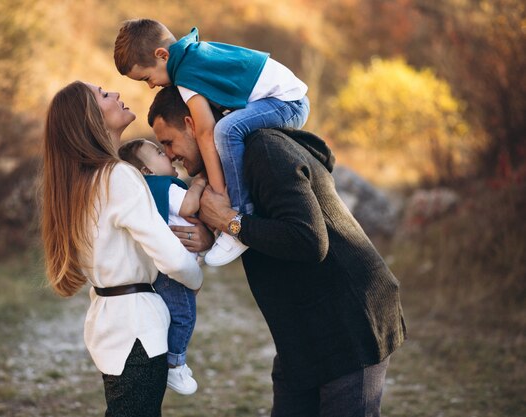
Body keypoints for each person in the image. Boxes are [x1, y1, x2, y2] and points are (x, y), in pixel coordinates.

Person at [147, 86, 407, 417]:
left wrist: (231, 222)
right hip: (300, 330)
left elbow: (309, 239)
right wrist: (216, 234)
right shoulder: (227, 169)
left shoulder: (263, 150)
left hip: (349, 320)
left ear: (191, 123)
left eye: (168, 143)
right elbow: (261, 232)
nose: (169, 156)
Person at [41, 81, 212, 416]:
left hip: (109, 321)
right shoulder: (117, 175)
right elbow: (173, 258)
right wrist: (195, 279)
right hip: (137, 326)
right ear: (90, 119)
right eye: (104, 95)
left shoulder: (84, 181)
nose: (116, 94)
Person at [114, 18, 310, 267]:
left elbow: (205, 131)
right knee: (228, 132)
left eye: (146, 78)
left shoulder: (186, 73)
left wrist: (221, 200)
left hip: (287, 101)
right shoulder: (192, 57)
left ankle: (239, 215)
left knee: (226, 131)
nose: (151, 85)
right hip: (284, 99)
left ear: (162, 55)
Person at [118, 138, 207, 395]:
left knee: (180, 314)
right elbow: (190, 205)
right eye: (159, 152)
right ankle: (174, 364)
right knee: (184, 316)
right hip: (172, 272)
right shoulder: (162, 186)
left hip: (166, 271)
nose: (167, 155)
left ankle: (175, 361)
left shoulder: (148, 189)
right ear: (148, 171)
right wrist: (199, 182)